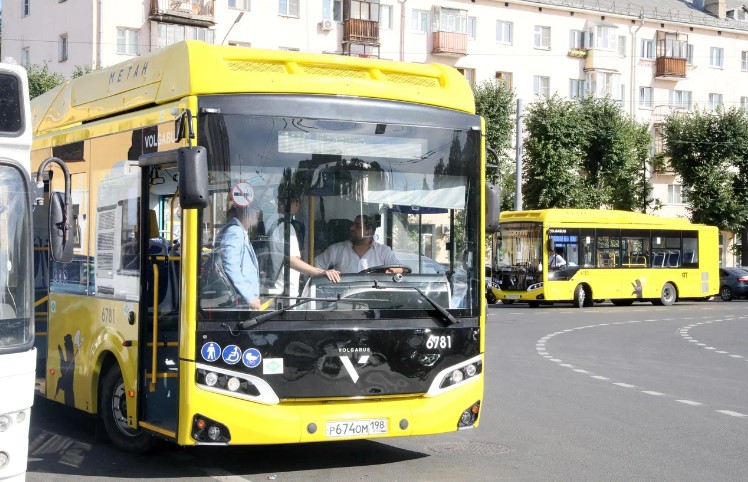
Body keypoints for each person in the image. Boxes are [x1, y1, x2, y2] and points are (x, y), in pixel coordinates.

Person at [264, 187, 341, 295]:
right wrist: (321, 272)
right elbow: (292, 261)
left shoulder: (271, 222)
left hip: (275, 287)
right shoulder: (287, 227)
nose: (299, 205)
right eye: (299, 202)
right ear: (295, 203)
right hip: (285, 292)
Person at [315, 214, 403, 273]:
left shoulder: (383, 251)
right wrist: (326, 273)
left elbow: (402, 269)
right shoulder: (336, 249)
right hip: (343, 298)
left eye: (358, 226)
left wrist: (391, 271)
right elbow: (315, 265)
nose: (352, 228)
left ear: (369, 231)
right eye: (353, 225)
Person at [217, 203, 262, 309]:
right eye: (257, 213)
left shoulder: (240, 231)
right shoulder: (235, 231)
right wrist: (249, 297)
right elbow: (231, 265)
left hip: (241, 299)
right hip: (240, 300)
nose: (257, 217)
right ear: (250, 213)